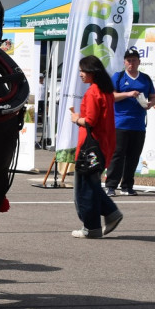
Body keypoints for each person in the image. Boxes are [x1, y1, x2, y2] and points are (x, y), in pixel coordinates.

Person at [67, 56, 123, 239]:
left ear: (92, 72)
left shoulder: (93, 92)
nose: (81, 74)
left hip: (90, 147)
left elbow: (90, 121)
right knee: (91, 184)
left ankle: (91, 227)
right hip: (103, 144)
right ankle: (110, 214)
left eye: (83, 71)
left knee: (85, 188)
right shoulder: (106, 91)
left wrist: (76, 119)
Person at [105, 46, 155, 196]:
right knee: (118, 155)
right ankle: (111, 186)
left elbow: (153, 97)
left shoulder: (145, 78)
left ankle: (127, 186)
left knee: (134, 156)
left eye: (134, 60)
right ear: (124, 62)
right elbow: (111, 97)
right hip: (120, 123)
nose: (131, 63)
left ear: (139, 62)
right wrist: (128, 94)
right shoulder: (118, 77)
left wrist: (150, 104)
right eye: (128, 60)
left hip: (138, 124)